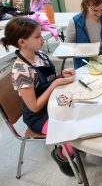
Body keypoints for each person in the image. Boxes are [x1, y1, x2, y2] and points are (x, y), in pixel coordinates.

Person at [1, 17, 78, 177]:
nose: (43, 39)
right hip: (38, 116)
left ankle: (73, 148)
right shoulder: (21, 71)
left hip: (53, 103)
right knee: (73, 131)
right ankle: (62, 156)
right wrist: (55, 84)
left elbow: (46, 79)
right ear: (22, 42)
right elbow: (34, 106)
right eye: (37, 37)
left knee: (82, 113)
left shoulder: (40, 55)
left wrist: (60, 75)